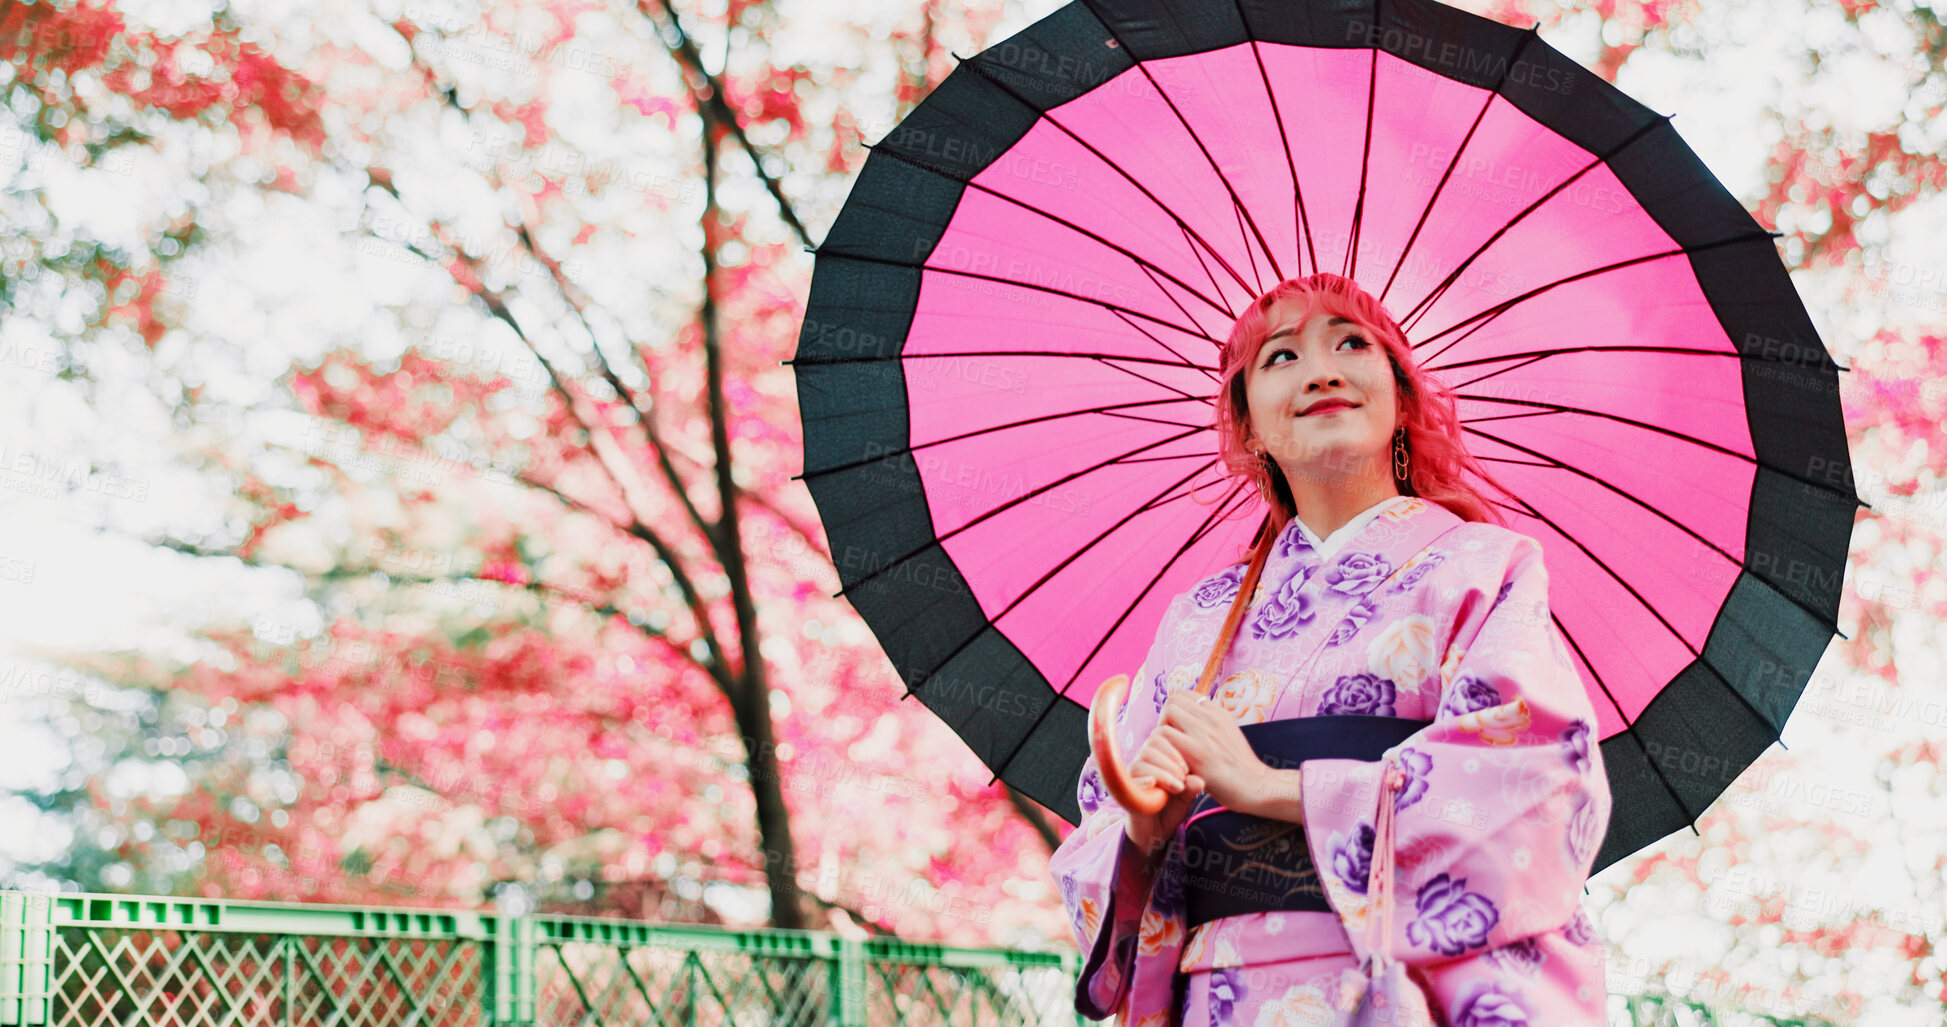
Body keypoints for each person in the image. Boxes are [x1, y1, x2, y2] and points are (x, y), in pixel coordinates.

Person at [1048, 273, 1612, 1027]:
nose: (1320, 369)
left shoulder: (1486, 566)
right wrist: (1144, 829)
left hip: (1402, 986)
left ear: (1401, 398)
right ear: (1248, 425)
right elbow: (1100, 838)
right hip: (1225, 993)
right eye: (1280, 356)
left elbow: (1535, 776)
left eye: (1351, 343)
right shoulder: (1197, 621)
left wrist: (1271, 787)